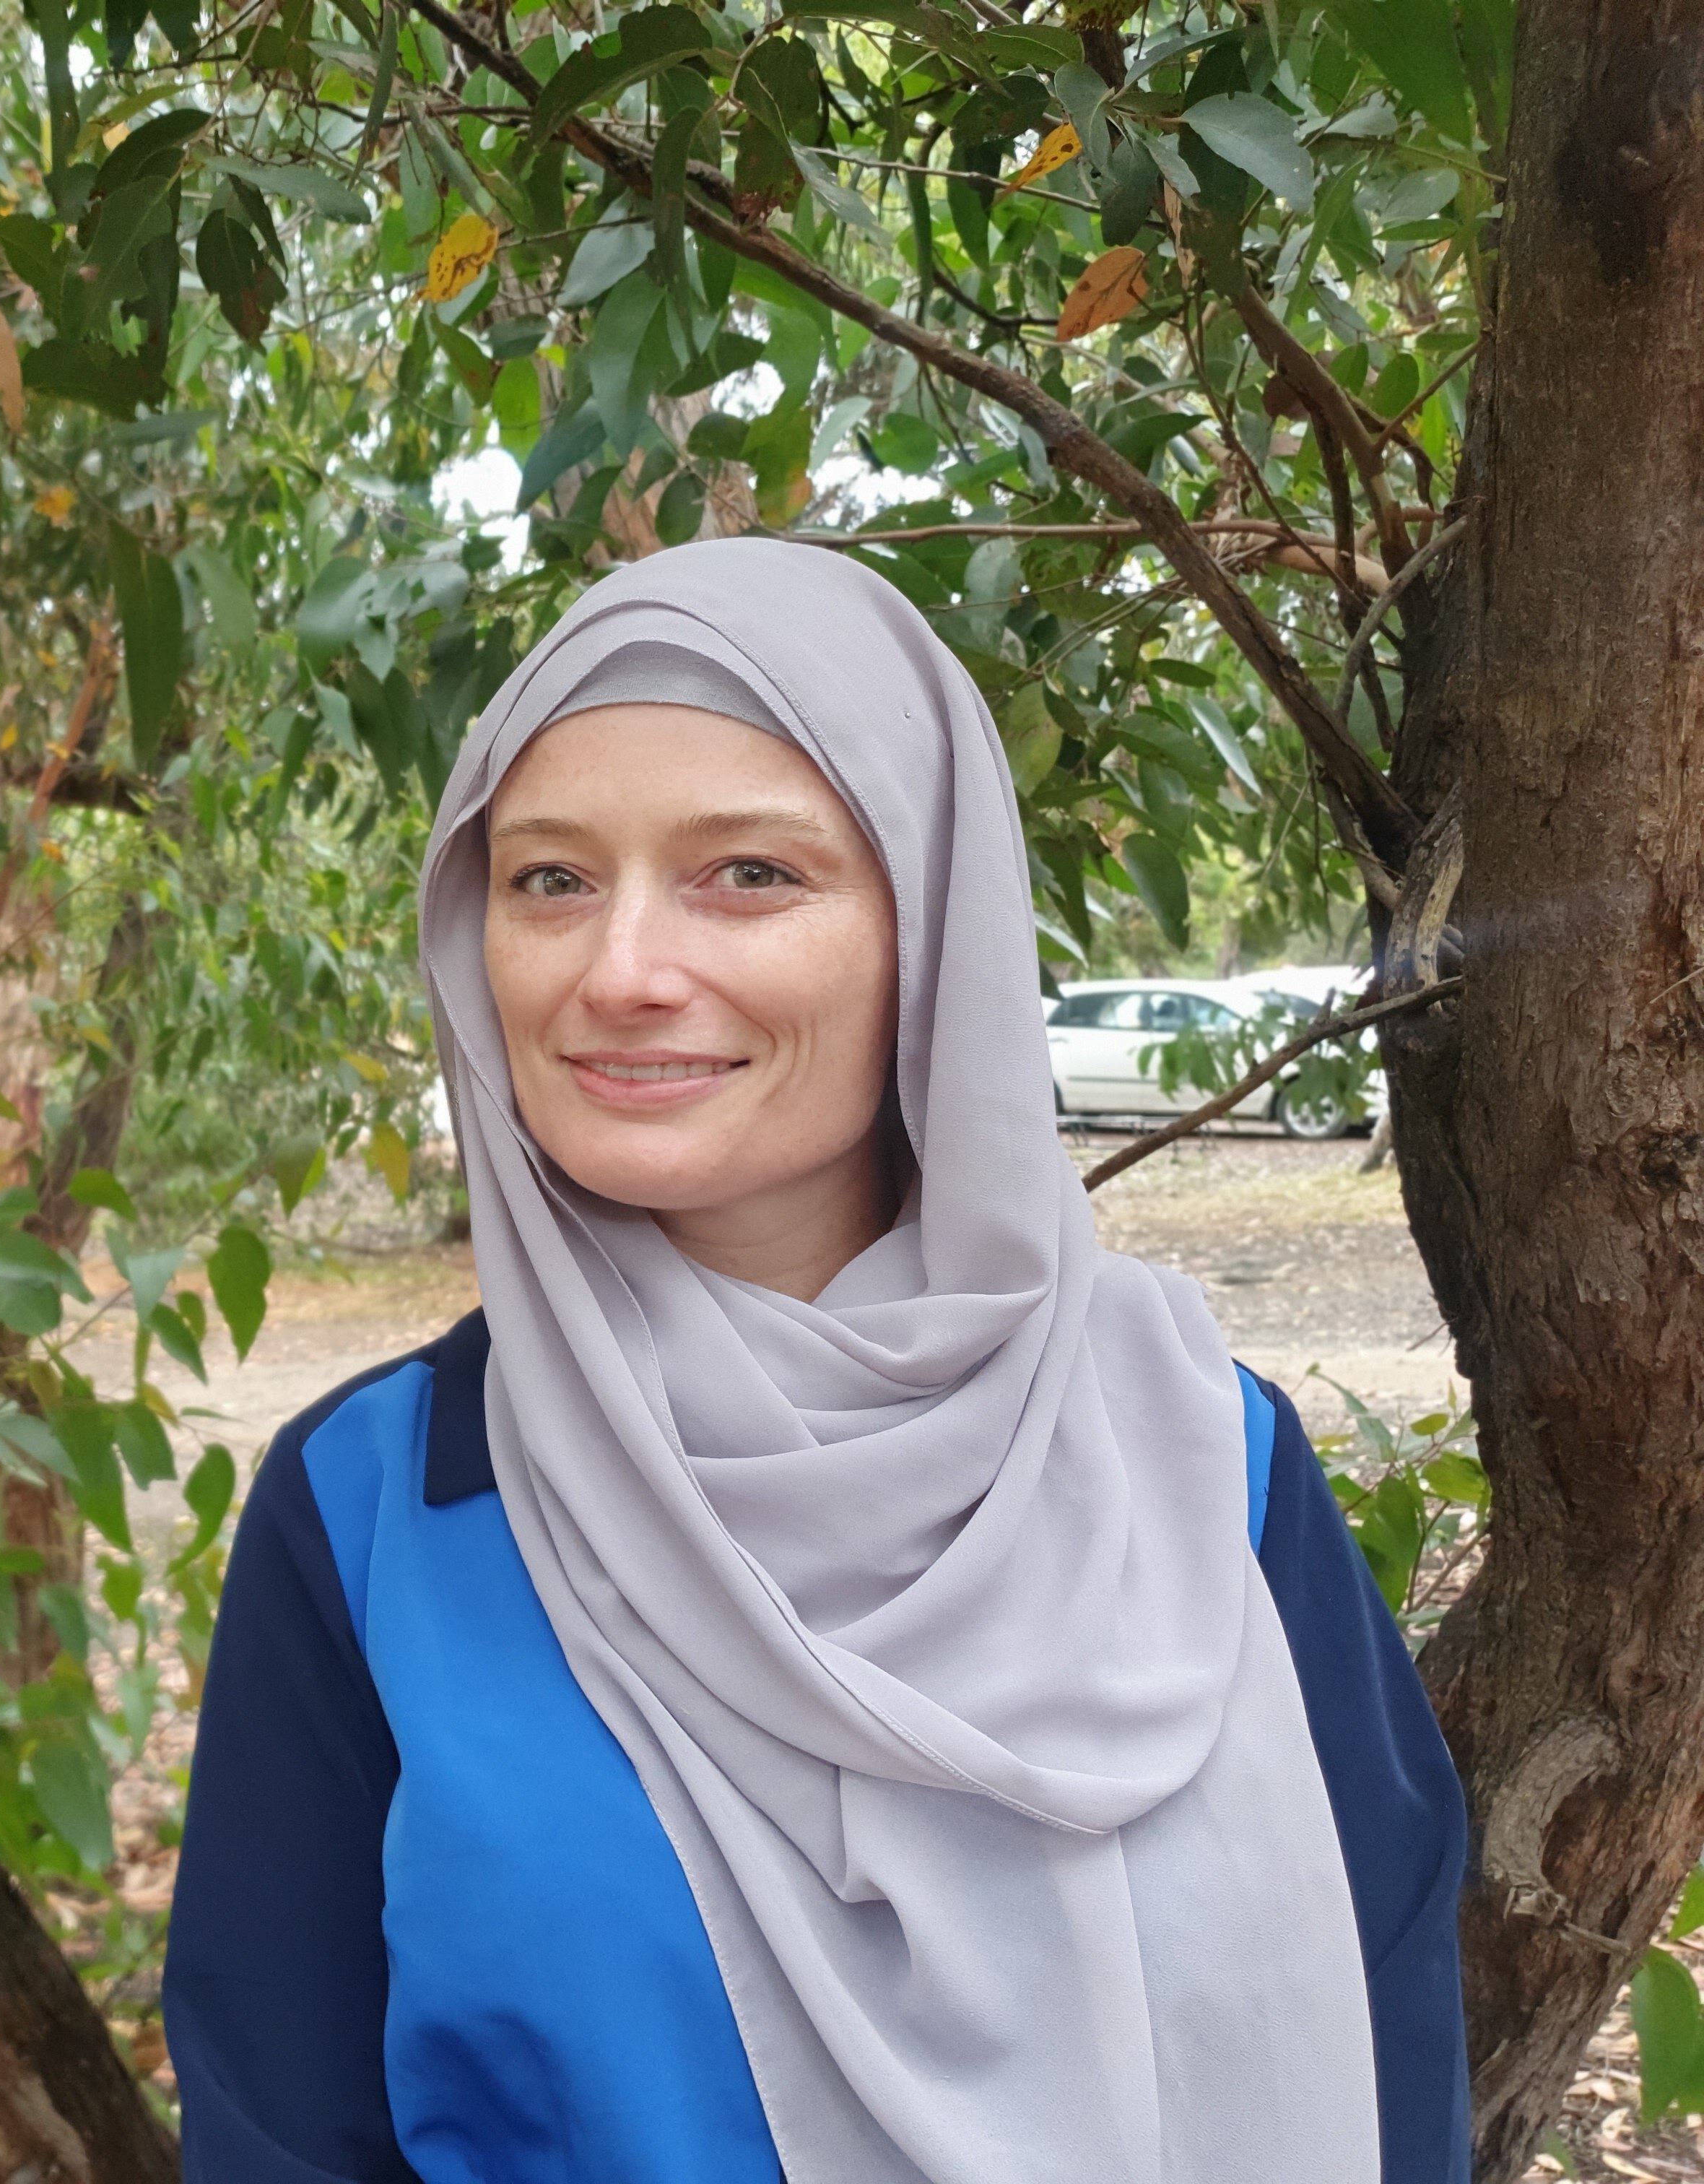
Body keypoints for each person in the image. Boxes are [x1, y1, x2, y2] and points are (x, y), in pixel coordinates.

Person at [162, 541, 1467, 2184]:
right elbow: (282, 2128)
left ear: (933, 926)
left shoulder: (1202, 1455)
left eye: (748, 874)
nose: (622, 970)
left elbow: (1390, 2048)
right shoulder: (380, 1511)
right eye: (551, 879)